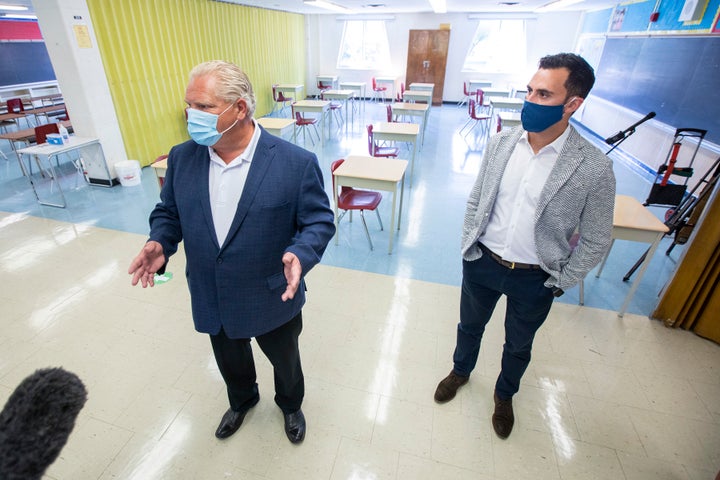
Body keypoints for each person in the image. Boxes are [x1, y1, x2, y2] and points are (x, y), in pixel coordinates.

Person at [128, 60, 335, 444]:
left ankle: (291, 405)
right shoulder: (182, 157)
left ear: (239, 108)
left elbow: (319, 222)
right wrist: (160, 241)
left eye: (203, 107)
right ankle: (241, 400)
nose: (191, 115)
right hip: (212, 291)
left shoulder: (294, 164)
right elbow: (169, 212)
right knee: (230, 358)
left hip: (273, 292)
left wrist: (301, 254)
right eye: (188, 105)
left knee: (285, 359)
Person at [434, 53, 616, 439]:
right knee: (469, 327)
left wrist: (562, 280)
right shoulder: (501, 143)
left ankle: (504, 396)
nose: (530, 100)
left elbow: (598, 236)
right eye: (530, 90)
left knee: (518, 345)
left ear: (573, 104)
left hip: (536, 278)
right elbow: (476, 199)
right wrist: (469, 245)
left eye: (544, 94)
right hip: (483, 263)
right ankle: (460, 372)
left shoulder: (593, 167)